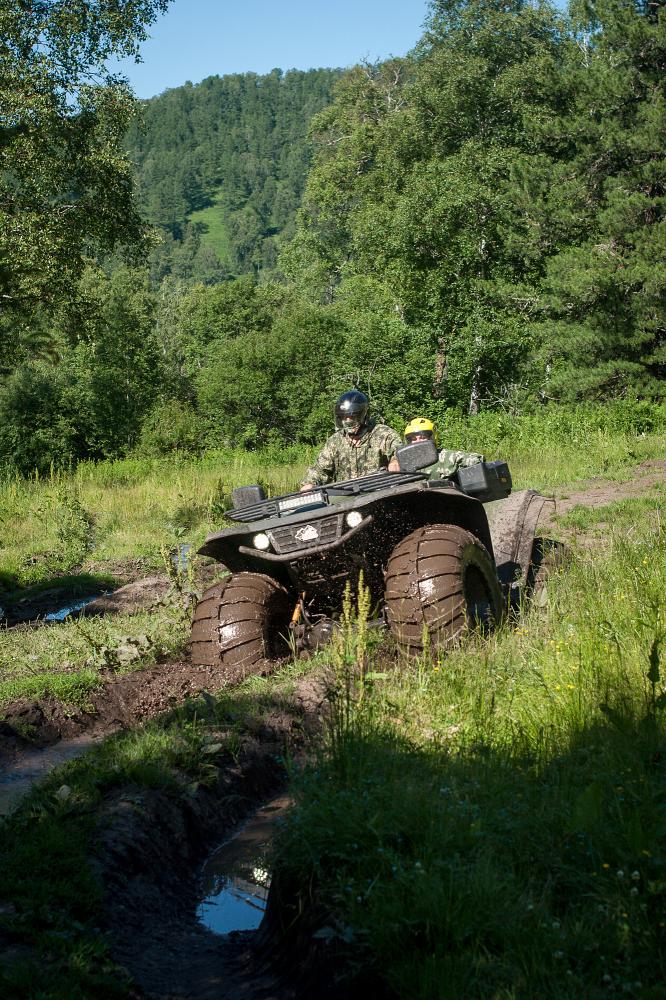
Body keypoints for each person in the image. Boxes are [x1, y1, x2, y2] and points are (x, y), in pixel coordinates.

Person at [300, 390, 402, 489]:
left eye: (351, 416)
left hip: (378, 491)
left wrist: (395, 461)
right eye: (343, 417)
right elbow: (320, 469)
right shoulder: (335, 441)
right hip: (346, 496)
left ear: (363, 415)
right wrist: (309, 483)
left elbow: (398, 450)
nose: (347, 421)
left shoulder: (382, 434)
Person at [402, 417, 484, 479]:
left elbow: (478, 459)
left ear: (432, 437)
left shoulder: (446, 457)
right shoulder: (405, 463)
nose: (418, 442)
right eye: (413, 439)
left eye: (423, 437)